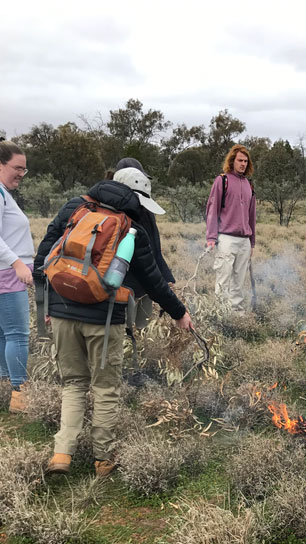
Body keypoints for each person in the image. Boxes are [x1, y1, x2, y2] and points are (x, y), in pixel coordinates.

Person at [33, 175, 193, 478]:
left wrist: (46, 306)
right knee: (105, 388)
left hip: (62, 311)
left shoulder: (73, 210)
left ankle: (62, 454)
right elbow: (154, 281)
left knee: (73, 385)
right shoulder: (131, 229)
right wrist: (179, 313)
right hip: (105, 319)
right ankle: (103, 459)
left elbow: (43, 257)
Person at [111, 166, 175, 329]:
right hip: (121, 288)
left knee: (142, 329)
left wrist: (166, 277)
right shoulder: (112, 218)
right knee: (123, 331)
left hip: (145, 286)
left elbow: (154, 250)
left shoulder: (147, 213)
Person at [0, 141, 34, 414]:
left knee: (4, 335)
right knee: (18, 335)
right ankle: (20, 395)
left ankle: (5, 389)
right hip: (8, 275)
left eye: (25, 169)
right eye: (17, 168)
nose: (21, 173)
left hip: (5, 274)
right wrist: (18, 264)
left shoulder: (4, 193)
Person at [205, 145, 256, 311]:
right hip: (226, 238)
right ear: (232, 161)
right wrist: (211, 237)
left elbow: (252, 216)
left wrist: (252, 242)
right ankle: (220, 315)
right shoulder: (223, 180)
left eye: (245, 161)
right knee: (223, 278)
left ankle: (236, 315)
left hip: (244, 241)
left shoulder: (249, 185)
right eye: (239, 160)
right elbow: (212, 209)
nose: (242, 164)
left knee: (239, 281)